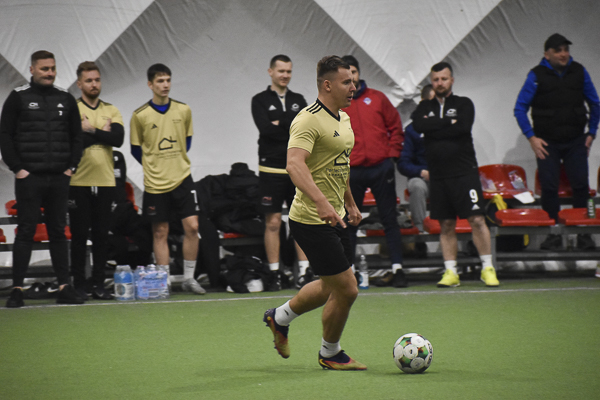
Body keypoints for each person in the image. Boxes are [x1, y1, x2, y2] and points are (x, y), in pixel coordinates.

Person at [263, 55, 367, 370]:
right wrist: (322, 203)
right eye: (347, 82)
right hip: (311, 219)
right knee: (347, 288)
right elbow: (294, 164)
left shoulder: (344, 119)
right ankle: (330, 353)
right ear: (327, 85)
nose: (353, 87)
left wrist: (350, 202)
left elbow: (340, 165)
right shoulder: (307, 119)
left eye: (353, 81)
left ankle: (279, 317)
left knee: (329, 286)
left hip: (337, 216)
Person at [0, 50, 84, 307]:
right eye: (44, 68)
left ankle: (64, 287)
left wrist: (71, 167)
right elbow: (5, 135)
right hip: (29, 179)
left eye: (52, 68)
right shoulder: (17, 97)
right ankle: (17, 290)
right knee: (25, 231)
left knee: (58, 231)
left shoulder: (65, 98)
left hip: (59, 178)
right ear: (32, 70)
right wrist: (18, 168)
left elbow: (77, 136)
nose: (49, 73)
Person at [412, 62, 499, 288]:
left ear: (452, 80)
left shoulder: (464, 103)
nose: (440, 83)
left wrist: (434, 127)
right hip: (439, 176)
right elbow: (418, 125)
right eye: (436, 79)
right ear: (431, 82)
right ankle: (451, 272)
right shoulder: (424, 107)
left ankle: (488, 268)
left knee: (477, 219)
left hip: (464, 172)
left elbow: (463, 128)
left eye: (444, 79)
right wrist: (447, 122)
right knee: (446, 224)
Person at [514, 33, 600, 250]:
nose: (563, 54)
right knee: (549, 187)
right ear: (547, 54)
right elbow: (520, 108)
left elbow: (595, 103)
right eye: (558, 50)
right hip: (547, 144)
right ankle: (552, 235)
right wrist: (531, 138)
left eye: (565, 50)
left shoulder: (579, 71)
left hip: (575, 141)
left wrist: (591, 133)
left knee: (581, 187)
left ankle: (584, 234)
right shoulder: (536, 75)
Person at [130, 63, 205, 294]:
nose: (165, 85)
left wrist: (173, 162)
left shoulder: (183, 110)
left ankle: (189, 278)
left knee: (192, 226)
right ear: (150, 84)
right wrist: (155, 165)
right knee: (160, 231)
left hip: (182, 178)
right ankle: (163, 282)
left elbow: (186, 142)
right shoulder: (140, 115)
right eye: (160, 81)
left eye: (168, 80)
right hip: (155, 183)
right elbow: (135, 149)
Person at [340, 55, 407, 288]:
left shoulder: (378, 98)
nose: (350, 77)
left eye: (353, 72)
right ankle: (349, 273)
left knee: (390, 219)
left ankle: (398, 269)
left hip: (381, 169)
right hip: (352, 172)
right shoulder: (335, 104)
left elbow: (396, 127)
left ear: (358, 73)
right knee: (350, 222)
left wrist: (391, 157)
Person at [251, 55, 310, 289]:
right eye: (281, 71)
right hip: (270, 169)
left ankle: (304, 272)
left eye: (288, 71)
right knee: (273, 222)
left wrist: (279, 122)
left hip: (297, 168)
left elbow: (305, 130)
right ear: (271, 72)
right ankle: (275, 273)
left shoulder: (299, 99)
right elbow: (265, 130)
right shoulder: (259, 100)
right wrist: (289, 122)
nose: (285, 75)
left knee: (300, 221)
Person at [69, 61, 124, 300]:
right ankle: (79, 285)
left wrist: (90, 130)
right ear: (79, 84)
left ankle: (99, 284)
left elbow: (118, 140)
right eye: (89, 80)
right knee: (79, 236)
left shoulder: (111, 109)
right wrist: (103, 134)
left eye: (97, 80)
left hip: (105, 181)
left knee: (102, 235)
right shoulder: (72, 109)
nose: (94, 84)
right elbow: (73, 142)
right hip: (78, 182)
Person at [397, 84, 435, 233]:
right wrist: (422, 172)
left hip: (444, 177)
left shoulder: (451, 126)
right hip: (422, 177)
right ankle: (419, 231)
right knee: (417, 186)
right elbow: (403, 163)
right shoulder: (412, 130)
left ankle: (460, 231)